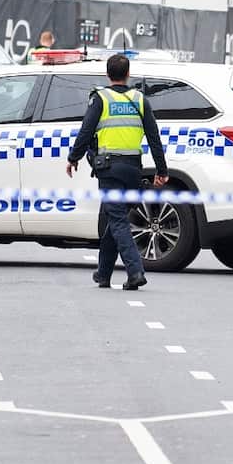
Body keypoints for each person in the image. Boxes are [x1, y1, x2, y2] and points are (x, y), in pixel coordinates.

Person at [66, 54, 168, 290]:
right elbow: (154, 138)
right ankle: (103, 274)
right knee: (115, 221)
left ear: (108, 74)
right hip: (133, 170)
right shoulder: (140, 99)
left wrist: (73, 158)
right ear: (128, 74)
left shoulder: (101, 98)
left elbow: (85, 131)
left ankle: (135, 271)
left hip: (109, 170)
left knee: (118, 221)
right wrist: (161, 170)